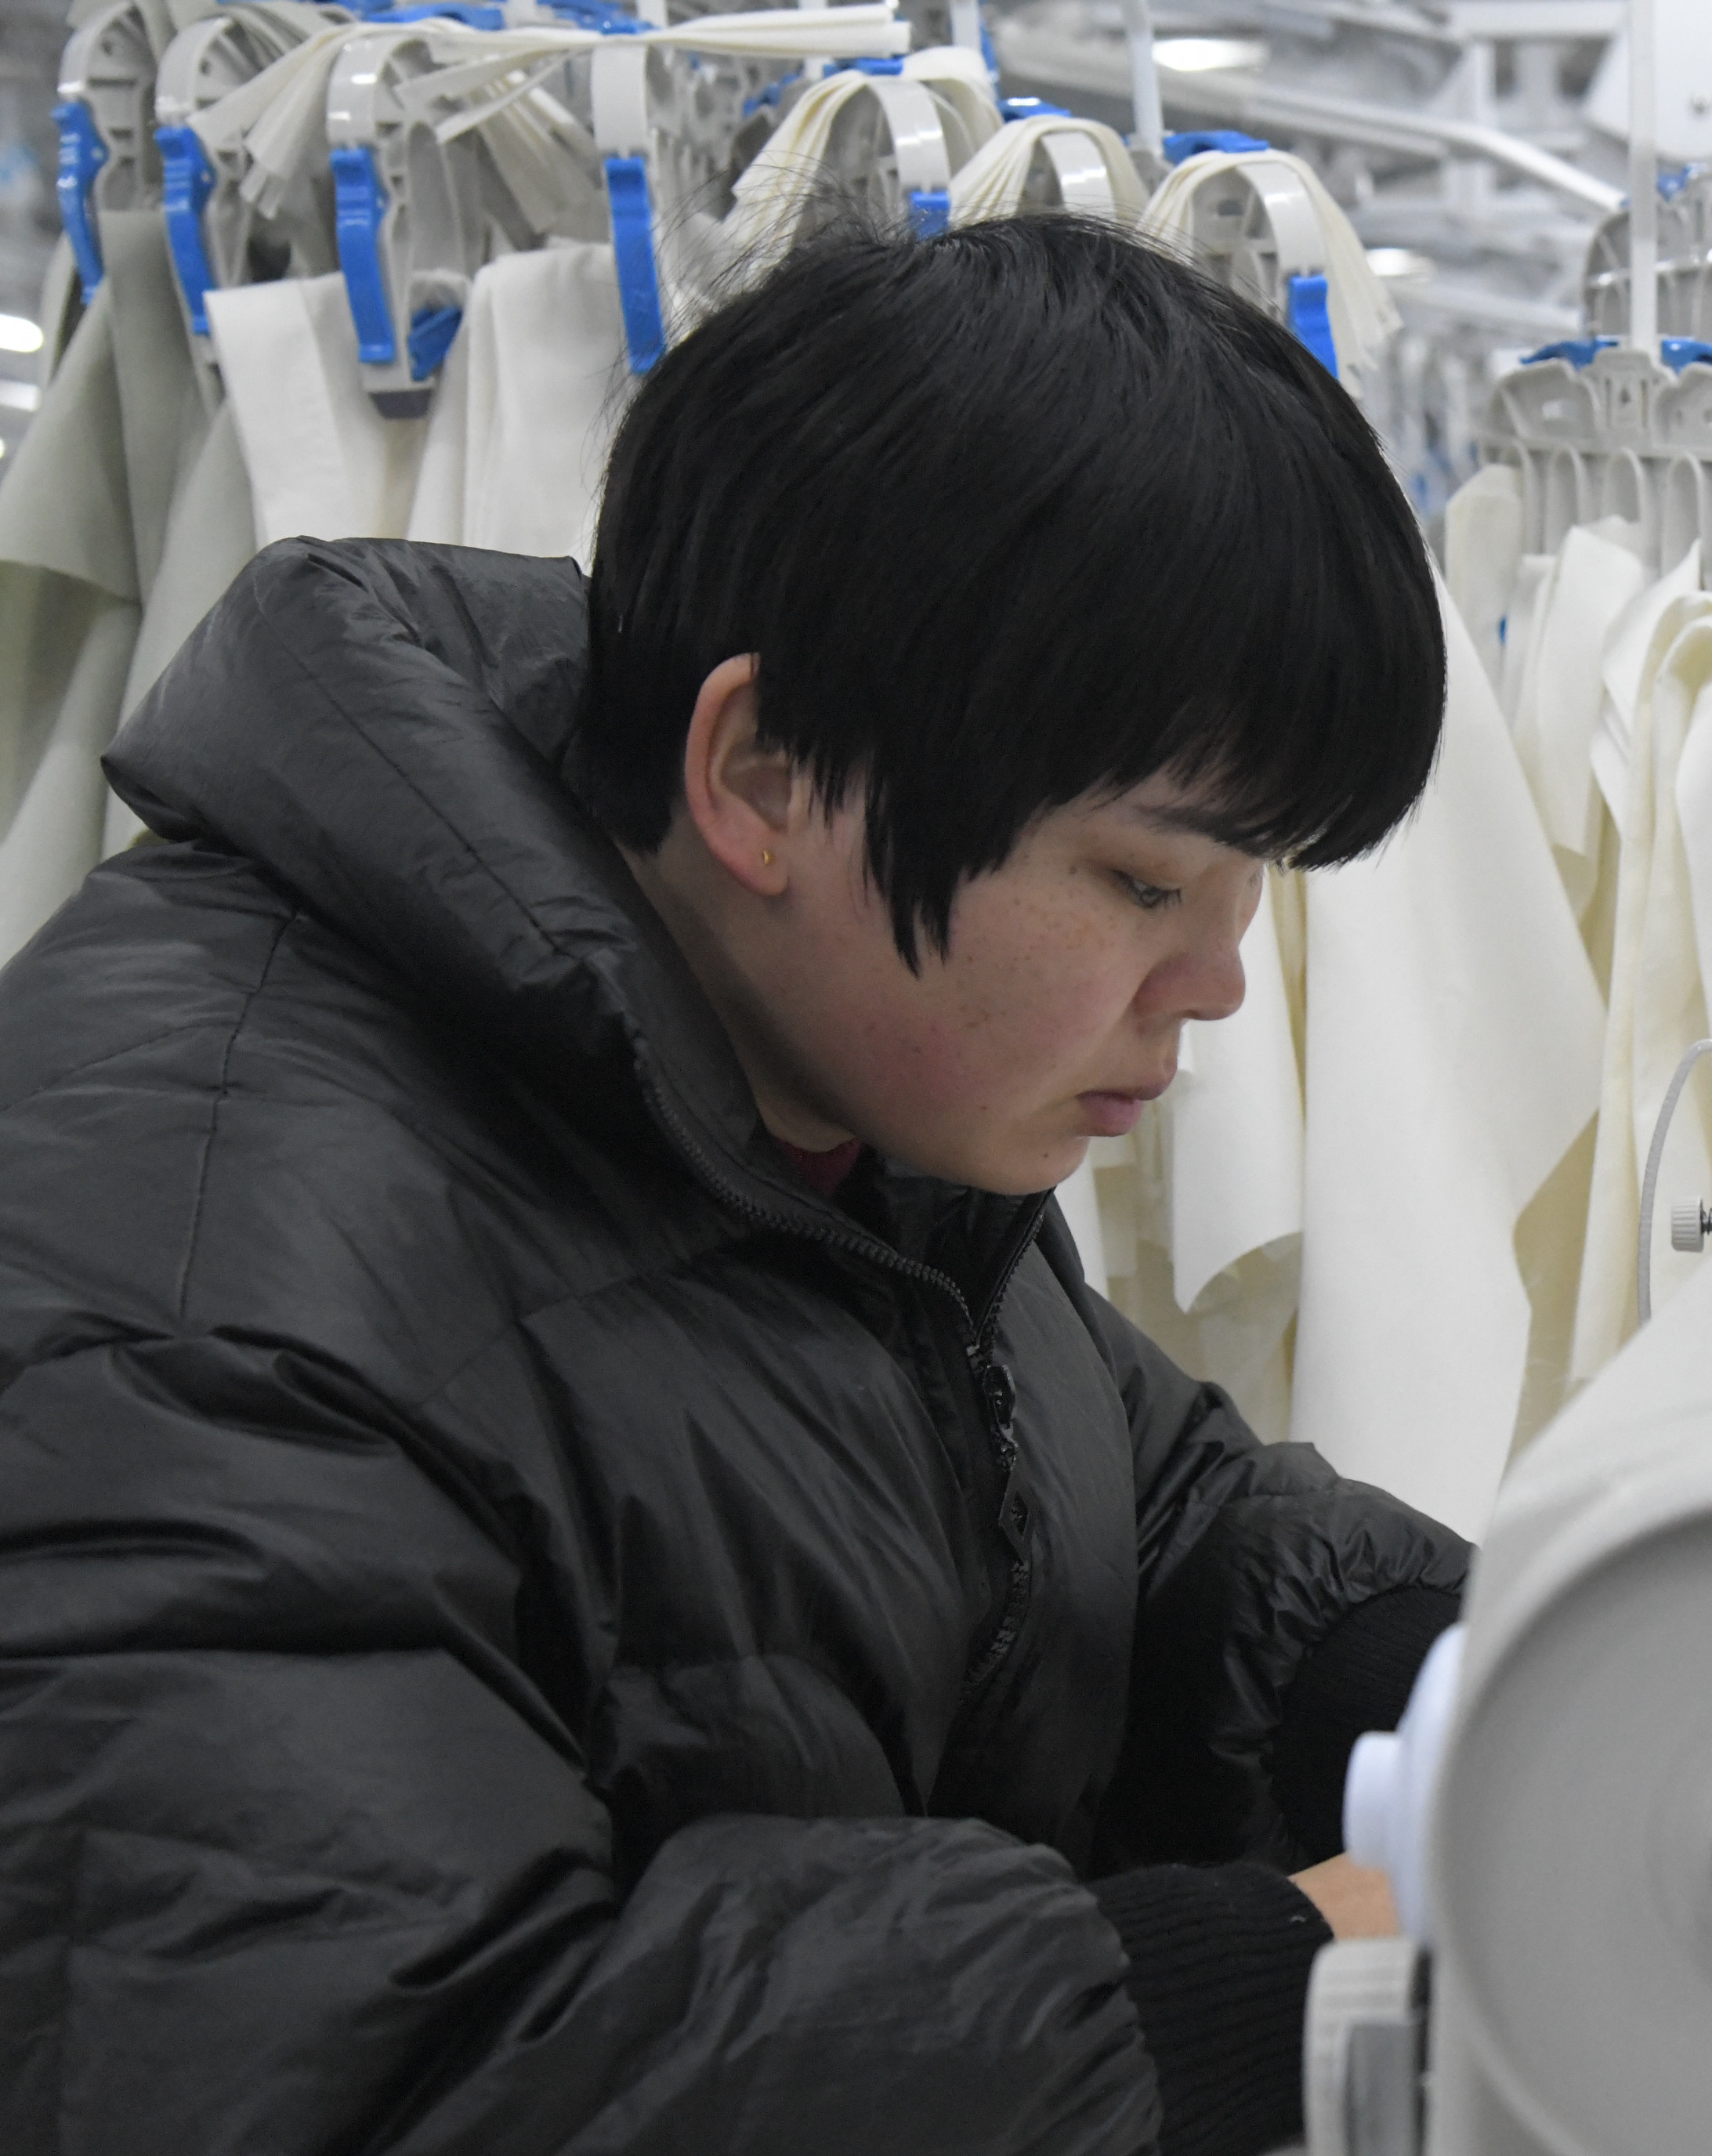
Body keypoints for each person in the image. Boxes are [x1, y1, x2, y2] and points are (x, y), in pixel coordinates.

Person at [0, 215, 1469, 2154]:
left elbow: (1115, 1494)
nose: (1218, 981)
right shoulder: (202, 1283)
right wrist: (1267, 1974)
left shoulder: (811, 1082)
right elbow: (369, 2075)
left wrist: (1450, 1677)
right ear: (763, 775)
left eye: (1246, 884)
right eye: (1143, 880)